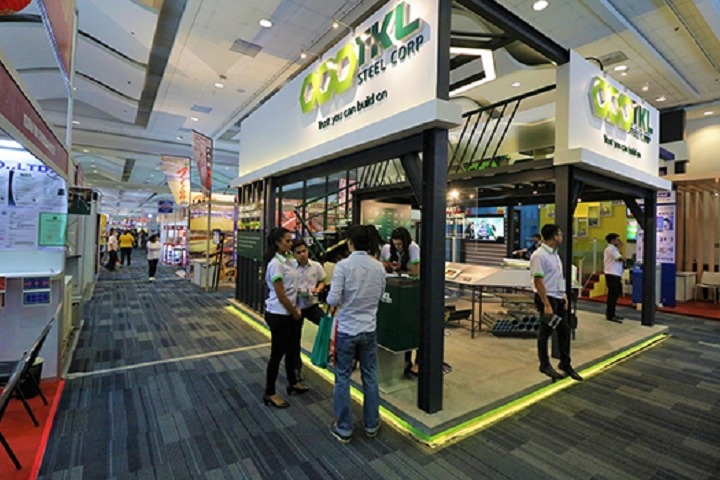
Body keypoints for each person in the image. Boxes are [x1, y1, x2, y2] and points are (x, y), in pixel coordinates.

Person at [327, 225, 386, 444]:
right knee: (370, 376)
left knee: (342, 377)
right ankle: (372, 424)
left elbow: (333, 299)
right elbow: (381, 294)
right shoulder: (378, 267)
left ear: (350, 242)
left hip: (347, 329)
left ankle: (344, 428)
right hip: (369, 329)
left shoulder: (343, 266)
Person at [530, 224, 582, 381]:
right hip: (547, 298)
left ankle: (565, 363)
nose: (562, 236)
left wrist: (563, 294)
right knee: (545, 333)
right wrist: (546, 304)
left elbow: (558, 277)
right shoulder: (539, 255)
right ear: (553, 236)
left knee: (564, 331)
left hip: (558, 297)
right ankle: (544, 364)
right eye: (560, 234)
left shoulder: (554, 254)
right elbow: (538, 281)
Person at [262, 227, 307, 409]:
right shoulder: (275, 264)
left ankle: (293, 382)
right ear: (277, 243)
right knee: (277, 353)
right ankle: (270, 392)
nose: (291, 243)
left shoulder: (288, 260)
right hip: (279, 313)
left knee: (292, 349)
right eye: (287, 241)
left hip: (290, 312)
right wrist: (294, 312)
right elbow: (281, 294)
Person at [380, 227, 420, 377]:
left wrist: (399, 270)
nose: (397, 247)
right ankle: (406, 360)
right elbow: (384, 265)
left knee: (414, 325)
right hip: (398, 291)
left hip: (414, 291)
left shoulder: (413, 248)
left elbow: (416, 271)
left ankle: (417, 362)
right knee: (403, 325)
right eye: (395, 244)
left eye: (400, 244)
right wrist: (390, 266)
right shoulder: (388, 249)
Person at [291, 239, 326, 381]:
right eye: (298, 252)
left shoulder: (316, 266)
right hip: (296, 307)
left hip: (312, 305)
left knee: (326, 325)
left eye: (304, 251)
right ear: (293, 254)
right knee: (294, 340)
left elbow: (323, 280)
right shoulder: (290, 268)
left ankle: (326, 355)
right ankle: (296, 369)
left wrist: (318, 289)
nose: (302, 254)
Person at [604, 233, 626, 323]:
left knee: (614, 296)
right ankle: (610, 315)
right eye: (617, 240)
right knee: (612, 296)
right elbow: (623, 259)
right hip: (612, 275)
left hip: (614, 274)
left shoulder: (613, 249)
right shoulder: (611, 249)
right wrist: (621, 248)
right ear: (612, 241)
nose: (619, 241)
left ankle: (612, 313)